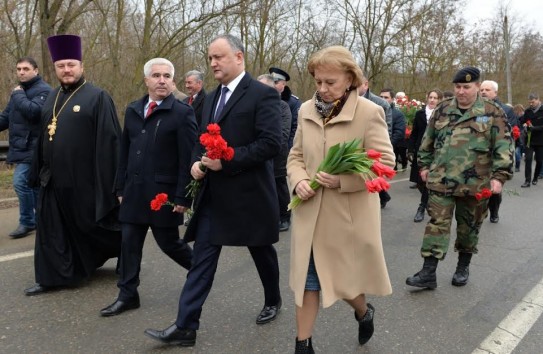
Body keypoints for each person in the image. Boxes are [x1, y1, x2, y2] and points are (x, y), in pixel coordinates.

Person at [144, 34, 282, 347]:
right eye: (210, 58)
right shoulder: (210, 98)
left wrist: (227, 161)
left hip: (249, 196)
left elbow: (271, 144)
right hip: (214, 197)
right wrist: (197, 164)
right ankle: (186, 326)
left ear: (239, 57)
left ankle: (273, 299)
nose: (213, 63)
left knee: (261, 251)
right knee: (203, 258)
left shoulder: (263, 94)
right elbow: (200, 140)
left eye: (218, 57)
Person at [287, 46, 394, 354]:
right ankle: (302, 345)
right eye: (318, 81)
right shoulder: (305, 109)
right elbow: (295, 156)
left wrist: (343, 181)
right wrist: (299, 180)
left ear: (350, 79)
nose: (322, 89)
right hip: (308, 214)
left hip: (344, 217)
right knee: (308, 282)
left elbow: (384, 164)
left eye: (330, 82)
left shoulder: (369, 112)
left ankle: (363, 310)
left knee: (342, 282)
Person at [24, 34, 123, 296]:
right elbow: (43, 136)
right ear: (54, 68)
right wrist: (35, 172)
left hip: (85, 180)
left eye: (71, 64)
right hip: (52, 178)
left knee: (93, 226)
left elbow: (110, 142)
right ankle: (52, 277)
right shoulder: (52, 96)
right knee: (51, 229)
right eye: (61, 66)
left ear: (81, 66)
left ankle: (125, 249)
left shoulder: (98, 97)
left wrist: (112, 184)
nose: (66, 70)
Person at [99, 58, 196, 317]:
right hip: (133, 191)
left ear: (173, 82)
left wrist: (183, 196)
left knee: (169, 244)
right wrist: (120, 187)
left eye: (167, 76)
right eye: (156, 75)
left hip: (163, 194)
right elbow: (125, 153)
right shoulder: (133, 110)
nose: (161, 80)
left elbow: (188, 158)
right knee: (129, 244)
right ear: (147, 80)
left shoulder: (182, 113)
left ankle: (200, 271)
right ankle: (128, 295)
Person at [406, 66, 513, 289]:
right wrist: (423, 166)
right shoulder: (443, 109)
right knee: (437, 225)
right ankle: (428, 272)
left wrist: (499, 177)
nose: (461, 91)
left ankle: (462, 267)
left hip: (475, 184)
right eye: (457, 87)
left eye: (466, 87)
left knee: (469, 228)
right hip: (441, 180)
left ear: (476, 86)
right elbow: (427, 140)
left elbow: (504, 146)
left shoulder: (493, 112)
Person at [0, 57, 51, 239]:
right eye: (18, 69)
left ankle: (28, 221)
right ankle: (42, 219)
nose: (21, 72)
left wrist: (17, 95)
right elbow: (6, 118)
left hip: (35, 148)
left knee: (20, 182)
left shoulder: (44, 90)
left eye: (25, 69)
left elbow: (34, 112)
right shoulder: (20, 92)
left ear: (35, 71)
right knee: (34, 186)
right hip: (21, 147)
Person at [258, 74, 293, 232]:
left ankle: (284, 216)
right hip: (258, 155)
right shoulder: (255, 105)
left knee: (279, 186)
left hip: (277, 156)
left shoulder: (283, 107)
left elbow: (283, 134)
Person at [480, 80, 517, 223]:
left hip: (496, 154)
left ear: (495, 92)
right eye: (482, 89)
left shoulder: (505, 110)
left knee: (494, 187)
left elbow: (512, 130)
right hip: (478, 154)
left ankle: (494, 211)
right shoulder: (476, 108)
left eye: (487, 90)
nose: (483, 92)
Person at [408, 89, 443, 222]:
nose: (432, 100)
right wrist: (410, 150)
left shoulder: (442, 115)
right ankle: (429, 201)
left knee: (427, 180)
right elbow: (414, 133)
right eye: (431, 97)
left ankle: (421, 208)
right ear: (427, 98)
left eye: (435, 98)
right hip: (420, 151)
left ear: (439, 100)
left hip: (435, 153)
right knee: (419, 182)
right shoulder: (420, 114)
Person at [358, 78, 393, 208]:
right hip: (357, 147)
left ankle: (381, 197)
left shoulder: (380, 104)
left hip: (373, 147)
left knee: (371, 176)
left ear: (365, 85)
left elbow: (386, 128)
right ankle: (383, 195)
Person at [269, 66, 301, 149]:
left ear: (283, 84)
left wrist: (289, 149)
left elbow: (295, 128)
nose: (273, 85)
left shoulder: (294, 102)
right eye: (271, 82)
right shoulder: (264, 98)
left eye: (276, 82)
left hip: (284, 148)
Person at [379, 88, 407, 170]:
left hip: (389, 150)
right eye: (381, 97)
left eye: (386, 97)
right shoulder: (373, 111)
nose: (383, 99)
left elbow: (399, 133)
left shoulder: (398, 114)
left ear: (392, 99)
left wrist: (388, 146)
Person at [520, 93, 543, 188]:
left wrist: (534, 128)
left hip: (541, 140)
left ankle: (535, 177)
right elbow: (522, 121)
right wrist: (524, 124)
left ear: (538, 100)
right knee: (528, 160)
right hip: (529, 140)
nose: (531, 104)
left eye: (532, 102)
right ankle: (527, 180)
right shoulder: (527, 111)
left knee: (539, 161)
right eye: (529, 102)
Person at [513, 104, 525, 172]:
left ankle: (517, 166)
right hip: (520, 135)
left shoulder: (514, 117)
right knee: (518, 151)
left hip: (517, 135)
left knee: (516, 152)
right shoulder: (523, 116)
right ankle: (517, 166)